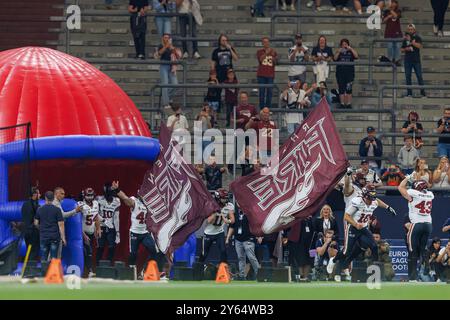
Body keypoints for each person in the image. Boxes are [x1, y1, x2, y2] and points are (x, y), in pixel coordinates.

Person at [329, 185, 397, 282]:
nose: (371, 201)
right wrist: (356, 224)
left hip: (363, 227)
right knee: (346, 251)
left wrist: (388, 207)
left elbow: (377, 201)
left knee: (373, 246)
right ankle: (334, 260)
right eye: (370, 197)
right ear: (365, 196)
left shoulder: (373, 201)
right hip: (352, 227)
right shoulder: (358, 202)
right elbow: (346, 217)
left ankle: (375, 273)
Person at [111, 181, 159, 275]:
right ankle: (132, 272)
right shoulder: (134, 201)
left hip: (145, 232)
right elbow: (125, 198)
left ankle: (145, 270)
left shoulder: (150, 204)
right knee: (133, 254)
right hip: (135, 232)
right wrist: (117, 190)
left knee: (153, 251)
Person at [398, 179, 434, 281]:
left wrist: (407, 178)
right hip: (428, 224)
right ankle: (428, 265)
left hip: (417, 224)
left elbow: (400, 188)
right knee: (423, 248)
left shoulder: (413, 194)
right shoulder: (430, 194)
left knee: (412, 251)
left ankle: (413, 277)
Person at [199, 188, 235, 264]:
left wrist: (226, 220)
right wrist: (215, 213)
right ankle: (199, 270)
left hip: (219, 232)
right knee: (204, 254)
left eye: (226, 198)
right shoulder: (211, 205)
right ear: (218, 198)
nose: (226, 200)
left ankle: (223, 270)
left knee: (223, 251)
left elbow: (233, 220)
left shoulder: (229, 206)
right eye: (223, 198)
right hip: (208, 233)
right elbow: (208, 221)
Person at [227, 205, 260, 280]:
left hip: (248, 238)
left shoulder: (250, 213)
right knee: (240, 257)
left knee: (251, 257)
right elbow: (232, 226)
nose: (239, 204)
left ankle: (259, 273)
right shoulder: (235, 214)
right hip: (238, 239)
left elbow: (256, 225)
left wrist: (259, 235)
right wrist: (228, 237)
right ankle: (242, 275)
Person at [34, 191, 65, 261]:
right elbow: (61, 225)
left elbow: (35, 223)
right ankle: (53, 272)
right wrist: (63, 237)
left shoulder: (40, 209)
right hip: (54, 237)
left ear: (45, 198)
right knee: (54, 258)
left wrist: (41, 228)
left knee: (44, 258)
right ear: (53, 198)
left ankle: (44, 271)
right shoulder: (57, 210)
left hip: (44, 236)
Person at [96, 182, 121, 266]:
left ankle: (109, 266)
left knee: (112, 247)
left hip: (111, 228)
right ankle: (98, 267)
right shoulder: (99, 199)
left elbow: (116, 217)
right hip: (101, 227)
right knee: (100, 247)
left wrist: (117, 232)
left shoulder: (117, 201)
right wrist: (104, 220)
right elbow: (95, 213)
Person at [79, 188, 101, 277]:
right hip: (83, 232)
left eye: (91, 195)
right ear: (84, 196)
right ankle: (89, 271)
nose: (90, 197)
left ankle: (89, 271)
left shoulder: (96, 204)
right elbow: (77, 222)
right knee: (86, 251)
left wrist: (98, 228)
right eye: (88, 195)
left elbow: (96, 217)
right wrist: (83, 235)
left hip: (91, 232)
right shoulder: (81, 205)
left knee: (89, 253)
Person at [401, 24, 426, 98]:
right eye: (409, 29)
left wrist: (412, 42)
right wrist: (406, 49)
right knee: (408, 77)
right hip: (407, 61)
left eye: (412, 29)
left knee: (419, 76)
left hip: (416, 60)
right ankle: (409, 93)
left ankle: (423, 93)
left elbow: (420, 46)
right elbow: (402, 49)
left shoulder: (417, 37)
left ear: (414, 30)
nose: (410, 31)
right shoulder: (405, 39)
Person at [158, 33, 181, 109]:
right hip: (163, 65)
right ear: (163, 38)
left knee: (175, 84)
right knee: (165, 84)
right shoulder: (161, 46)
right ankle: (165, 103)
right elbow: (159, 53)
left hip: (172, 66)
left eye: (168, 38)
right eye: (165, 37)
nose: (166, 39)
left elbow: (179, 55)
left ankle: (167, 98)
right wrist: (166, 46)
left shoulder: (173, 47)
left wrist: (171, 47)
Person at [334, 38, 358, 109]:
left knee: (349, 88)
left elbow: (356, 56)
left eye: (346, 44)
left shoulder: (350, 51)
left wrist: (350, 49)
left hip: (349, 73)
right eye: (343, 44)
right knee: (341, 88)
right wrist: (338, 52)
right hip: (340, 73)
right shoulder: (339, 51)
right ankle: (342, 103)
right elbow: (335, 59)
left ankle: (348, 104)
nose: (344, 46)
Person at [256, 37, 278, 109]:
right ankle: (262, 109)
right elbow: (261, 60)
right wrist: (267, 53)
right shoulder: (259, 51)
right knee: (261, 93)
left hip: (270, 75)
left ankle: (268, 109)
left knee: (269, 93)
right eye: (264, 42)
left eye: (267, 42)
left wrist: (274, 57)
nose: (266, 43)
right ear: (262, 43)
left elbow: (276, 62)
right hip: (261, 75)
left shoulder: (273, 51)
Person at [21, 187, 41, 261]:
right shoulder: (36, 205)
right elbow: (36, 219)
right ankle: (30, 269)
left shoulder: (24, 204)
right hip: (33, 231)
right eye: (38, 193)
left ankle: (28, 268)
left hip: (26, 231)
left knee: (29, 251)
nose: (40, 195)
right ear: (34, 194)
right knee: (34, 251)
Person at [382, 0, 402, 65]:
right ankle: (390, 60)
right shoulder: (386, 12)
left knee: (397, 46)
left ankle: (397, 60)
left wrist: (390, 10)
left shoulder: (398, 11)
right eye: (391, 2)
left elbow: (396, 16)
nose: (392, 4)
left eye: (393, 2)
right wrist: (388, 16)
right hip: (388, 32)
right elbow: (383, 21)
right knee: (390, 47)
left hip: (397, 32)